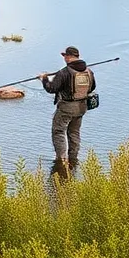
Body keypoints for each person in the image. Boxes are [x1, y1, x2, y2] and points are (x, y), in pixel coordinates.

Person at [39, 45, 95, 178]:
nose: (64, 58)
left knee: (58, 131)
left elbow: (51, 88)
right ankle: (73, 159)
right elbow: (92, 87)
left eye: (65, 56)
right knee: (74, 133)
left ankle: (61, 160)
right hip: (81, 108)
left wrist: (44, 79)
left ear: (68, 57)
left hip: (66, 108)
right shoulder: (89, 72)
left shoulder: (64, 72)